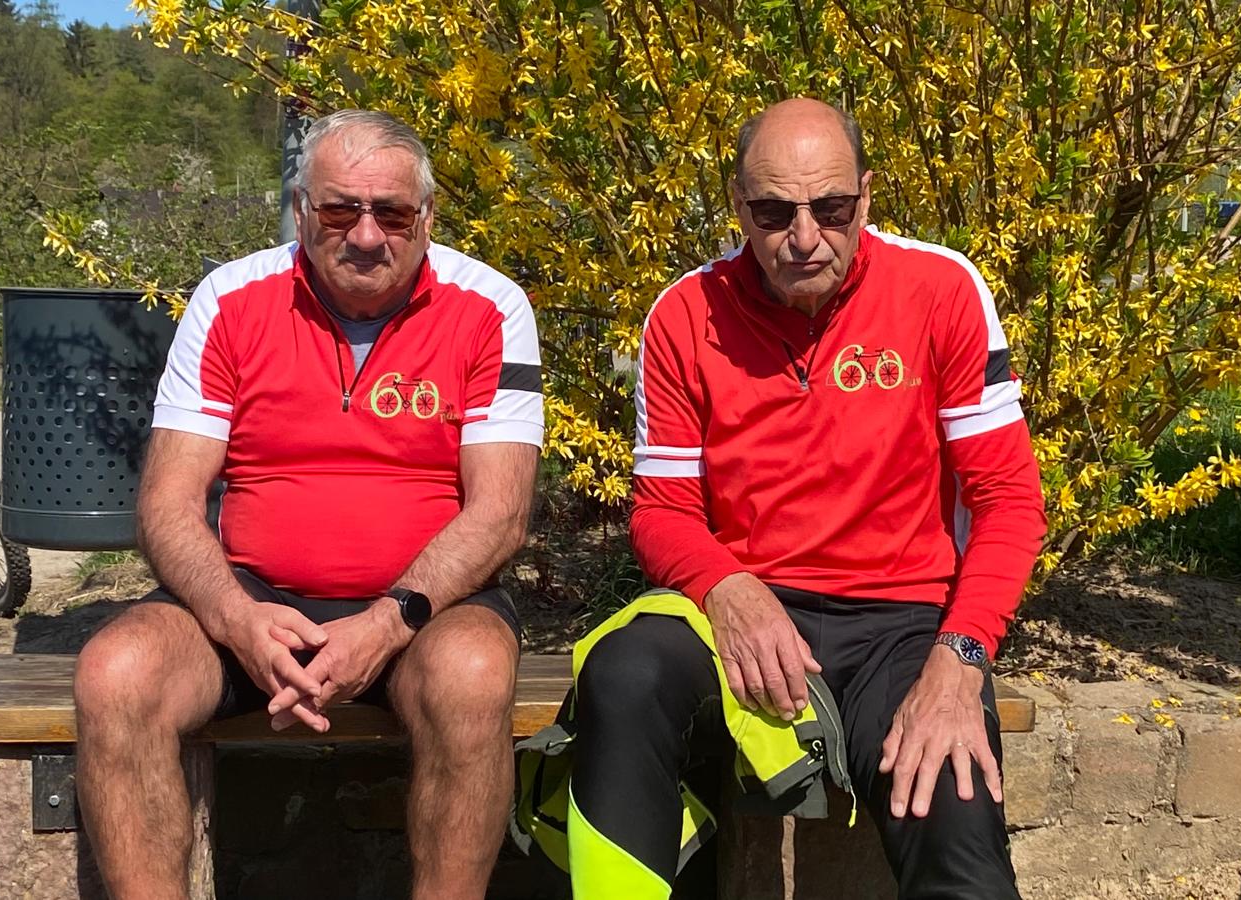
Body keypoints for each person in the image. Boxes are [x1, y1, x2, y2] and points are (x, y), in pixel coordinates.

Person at [569, 98, 1047, 899]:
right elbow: (660, 510)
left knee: (954, 815)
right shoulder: (684, 314)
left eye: (831, 209)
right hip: (742, 616)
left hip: (902, 625)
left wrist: (960, 663)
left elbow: (1009, 499)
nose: (803, 237)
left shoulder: (941, 287)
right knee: (624, 673)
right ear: (738, 206)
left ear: (867, 196)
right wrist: (726, 588)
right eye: (773, 212)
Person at [71, 109, 543, 900]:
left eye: (392, 213)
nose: (367, 235)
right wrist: (235, 619)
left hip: (425, 607)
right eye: (339, 210)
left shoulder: (492, 307)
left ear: (427, 218)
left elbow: (500, 514)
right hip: (251, 596)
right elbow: (167, 503)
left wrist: (385, 625)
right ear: (300, 210)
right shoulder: (229, 299)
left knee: (471, 676)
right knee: (116, 674)